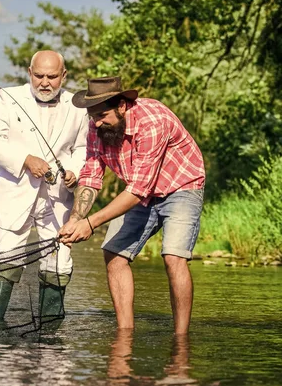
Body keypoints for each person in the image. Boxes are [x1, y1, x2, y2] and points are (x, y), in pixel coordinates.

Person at [59, 76, 205, 334]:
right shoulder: (96, 126)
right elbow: (92, 174)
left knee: (173, 257)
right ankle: (125, 333)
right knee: (113, 254)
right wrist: (75, 218)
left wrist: (90, 224)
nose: (97, 122)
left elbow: (138, 191)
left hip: (181, 185)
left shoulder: (152, 121)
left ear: (122, 106)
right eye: (93, 117)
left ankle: (181, 338)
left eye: (102, 115)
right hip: (140, 190)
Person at [0, 50, 89, 328]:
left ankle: (49, 334)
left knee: (59, 263)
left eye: (52, 77)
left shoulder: (79, 105)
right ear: (29, 73)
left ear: (63, 76)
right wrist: (25, 160)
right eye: (39, 75)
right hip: (14, 195)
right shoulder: (8, 97)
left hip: (58, 199)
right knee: (6, 257)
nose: (44, 82)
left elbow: (83, 148)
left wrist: (75, 171)